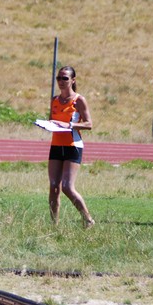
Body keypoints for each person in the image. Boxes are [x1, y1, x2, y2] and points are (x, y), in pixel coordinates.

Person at [48, 65, 95, 227]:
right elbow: (52, 120)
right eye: (58, 78)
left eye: (65, 78)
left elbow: (89, 124)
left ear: (73, 80)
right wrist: (48, 124)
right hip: (56, 146)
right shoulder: (54, 100)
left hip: (72, 146)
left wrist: (68, 125)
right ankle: (54, 225)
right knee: (54, 187)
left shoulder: (79, 100)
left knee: (67, 187)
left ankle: (88, 219)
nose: (61, 81)